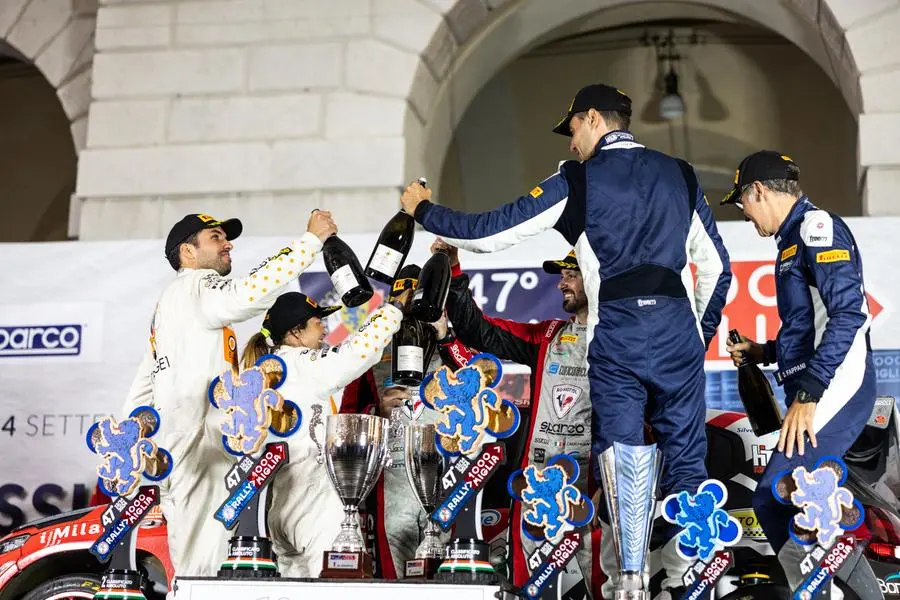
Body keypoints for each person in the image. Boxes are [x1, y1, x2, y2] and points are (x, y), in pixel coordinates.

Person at [399, 84, 731, 595]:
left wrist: (425, 211)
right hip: (676, 331)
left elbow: (490, 231)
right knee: (686, 460)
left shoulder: (577, 177)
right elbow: (717, 268)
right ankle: (694, 586)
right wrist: (696, 337)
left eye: (572, 128)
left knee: (620, 456)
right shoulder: (681, 173)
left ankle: (629, 584)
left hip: (617, 325)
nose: (571, 142)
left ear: (593, 118)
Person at [121, 210, 337, 578]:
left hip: (185, 447)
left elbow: (145, 384)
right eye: (216, 238)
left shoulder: (169, 306)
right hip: (200, 448)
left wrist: (136, 443)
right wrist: (310, 243)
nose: (228, 244)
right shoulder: (197, 286)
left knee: (197, 564)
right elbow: (248, 293)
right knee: (206, 570)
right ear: (187, 253)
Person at [722, 151, 876, 592]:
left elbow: (848, 314)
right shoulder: (792, 239)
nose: (745, 214)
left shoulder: (815, 228)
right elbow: (808, 329)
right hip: (817, 386)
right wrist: (763, 351)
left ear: (759, 191)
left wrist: (808, 396)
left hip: (836, 386)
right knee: (800, 507)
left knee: (777, 495)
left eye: (742, 203)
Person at [435, 239, 598, 596]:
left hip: (594, 487)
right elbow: (481, 331)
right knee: (528, 585)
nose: (562, 283)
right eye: (563, 275)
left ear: (597, 278)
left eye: (573, 274)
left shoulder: (621, 338)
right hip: (537, 482)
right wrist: (455, 272)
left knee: (605, 582)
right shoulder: (549, 334)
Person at [239, 286, 410, 577]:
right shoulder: (300, 363)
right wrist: (392, 311)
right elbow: (357, 353)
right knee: (341, 589)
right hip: (316, 505)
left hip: (280, 507)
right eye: (318, 322)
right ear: (295, 333)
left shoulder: (265, 372)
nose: (325, 330)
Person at [339, 266, 474, 579]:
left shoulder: (453, 343)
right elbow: (346, 422)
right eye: (404, 300)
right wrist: (379, 412)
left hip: (447, 477)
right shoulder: (369, 351)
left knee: (449, 579)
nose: (413, 309)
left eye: (420, 300)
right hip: (393, 483)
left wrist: (444, 334)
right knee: (396, 581)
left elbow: (479, 382)